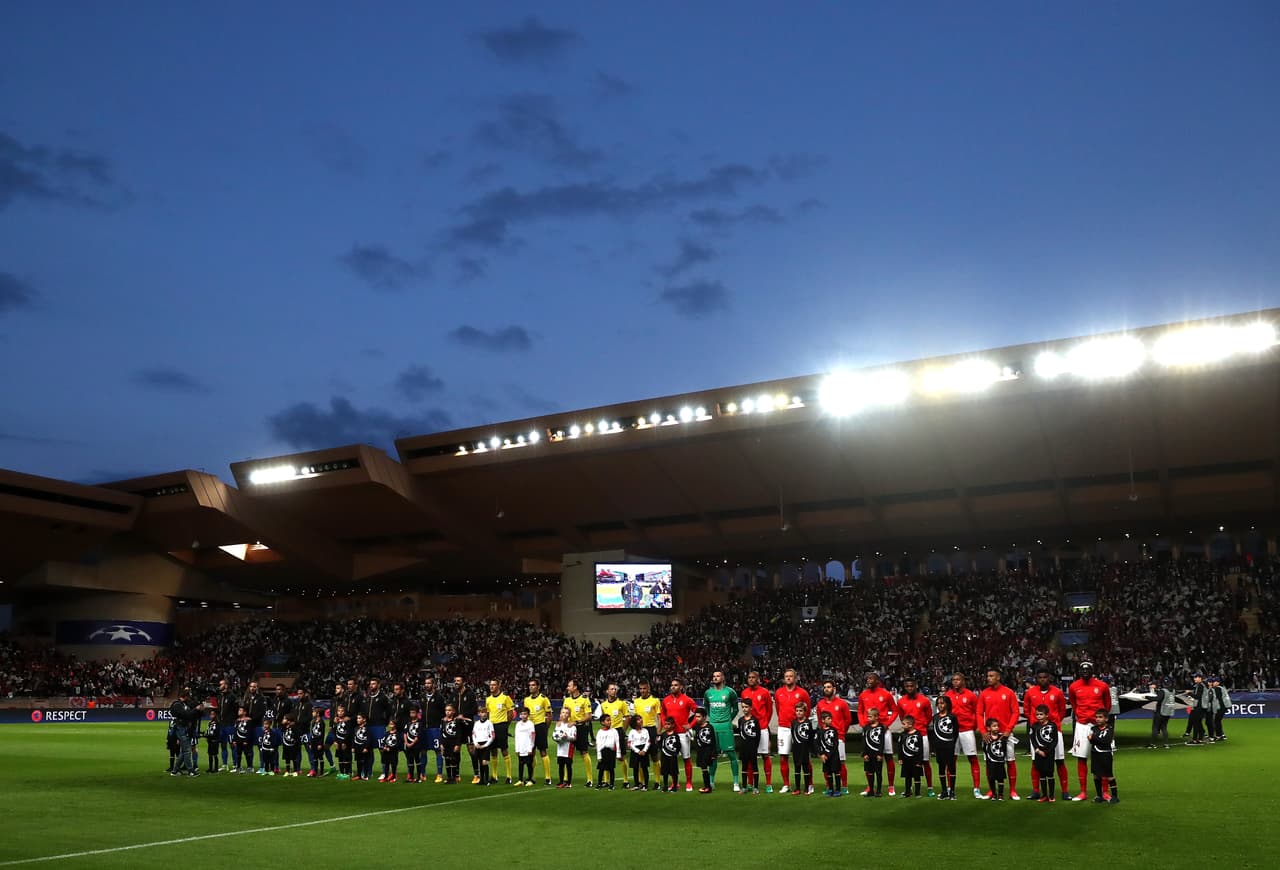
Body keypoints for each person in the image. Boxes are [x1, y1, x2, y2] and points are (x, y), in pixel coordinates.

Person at [1067, 661, 1111, 799]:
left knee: (1103, 759)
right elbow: (1074, 704)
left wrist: (1100, 720)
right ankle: (1083, 792)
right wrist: (1082, 715)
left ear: (1092, 670)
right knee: (1081, 758)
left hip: (1099, 726)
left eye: (1088, 669)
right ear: (1079, 672)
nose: (1085, 672)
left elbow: (1107, 705)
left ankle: (1105, 792)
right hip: (1082, 726)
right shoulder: (1074, 686)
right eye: (1082, 670)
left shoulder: (1102, 686)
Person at [1022, 667, 1069, 797]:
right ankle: (1036, 791)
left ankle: (1065, 791)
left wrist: (1054, 722)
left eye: (1045, 677)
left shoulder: (1057, 692)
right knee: (1035, 762)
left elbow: (1062, 710)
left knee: (1059, 761)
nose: (1043, 679)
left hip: (1054, 731)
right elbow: (1026, 710)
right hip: (1036, 731)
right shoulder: (1030, 692)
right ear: (1036, 679)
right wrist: (1034, 721)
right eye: (1040, 677)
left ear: (1049, 678)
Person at [976, 668, 1021, 800]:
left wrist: (1008, 729)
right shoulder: (984, 694)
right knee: (989, 762)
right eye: (987, 676)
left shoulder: (1008, 692)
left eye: (991, 676)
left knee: (1010, 761)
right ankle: (992, 791)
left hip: (1005, 734)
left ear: (998, 677)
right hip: (990, 735)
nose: (988, 678)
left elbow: (1015, 712)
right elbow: (978, 713)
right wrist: (983, 731)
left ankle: (1012, 791)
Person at [943, 671, 983, 797]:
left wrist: (973, 726)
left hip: (966, 730)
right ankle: (950, 788)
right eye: (953, 679)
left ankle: (976, 789)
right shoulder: (947, 695)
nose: (955, 682)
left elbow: (977, 712)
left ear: (963, 681)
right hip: (952, 732)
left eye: (958, 679)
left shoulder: (971, 695)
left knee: (972, 758)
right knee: (951, 760)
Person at [858, 672, 898, 795]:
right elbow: (860, 711)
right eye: (867, 678)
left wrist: (887, 724)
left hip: (883, 730)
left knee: (888, 757)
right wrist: (863, 724)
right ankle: (870, 786)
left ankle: (891, 786)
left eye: (871, 678)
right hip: (869, 730)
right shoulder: (863, 694)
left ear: (877, 680)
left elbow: (895, 710)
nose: (869, 681)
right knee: (868, 757)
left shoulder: (885, 694)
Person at [895, 678, 934, 796]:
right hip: (907, 737)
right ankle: (909, 788)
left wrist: (920, 727)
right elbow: (903, 717)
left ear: (916, 686)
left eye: (911, 686)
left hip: (922, 735)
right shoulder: (901, 701)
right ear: (904, 687)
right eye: (907, 686)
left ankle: (930, 788)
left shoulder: (924, 700)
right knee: (908, 763)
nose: (909, 688)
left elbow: (928, 717)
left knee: (925, 762)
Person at [774, 668, 810, 793]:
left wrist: (800, 724)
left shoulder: (803, 693)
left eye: (791, 676)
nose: (788, 678)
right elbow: (778, 709)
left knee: (804, 756)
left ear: (795, 678)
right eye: (786, 676)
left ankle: (808, 784)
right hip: (783, 727)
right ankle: (786, 784)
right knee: (783, 756)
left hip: (799, 728)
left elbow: (807, 710)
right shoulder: (778, 692)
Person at [816, 679, 853, 795]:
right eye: (825, 687)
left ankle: (844, 786)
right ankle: (829, 787)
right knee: (826, 763)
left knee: (840, 763)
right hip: (825, 739)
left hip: (838, 738)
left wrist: (841, 732)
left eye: (829, 687)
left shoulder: (842, 703)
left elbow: (848, 720)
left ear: (834, 689)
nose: (826, 689)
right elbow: (819, 720)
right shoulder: (820, 704)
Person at [662, 677, 699, 791]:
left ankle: (689, 783)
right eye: (672, 685)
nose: (673, 687)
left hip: (682, 733)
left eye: (676, 685)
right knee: (671, 759)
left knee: (686, 758)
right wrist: (664, 724)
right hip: (670, 734)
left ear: (681, 687)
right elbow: (662, 713)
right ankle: (675, 783)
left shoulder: (687, 700)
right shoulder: (666, 700)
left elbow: (698, 713)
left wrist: (690, 725)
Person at [705, 671, 740, 791]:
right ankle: (711, 782)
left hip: (726, 727)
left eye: (718, 676)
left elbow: (735, 708)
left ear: (723, 678)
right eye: (714, 676)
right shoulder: (708, 693)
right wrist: (713, 719)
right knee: (713, 756)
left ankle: (735, 783)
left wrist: (728, 719)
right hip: (713, 727)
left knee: (731, 754)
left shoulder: (730, 692)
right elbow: (707, 708)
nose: (715, 678)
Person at [740, 671, 774, 792]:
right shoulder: (744, 692)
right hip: (749, 729)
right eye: (749, 677)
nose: (751, 679)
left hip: (762, 727)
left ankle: (768, 784)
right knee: (749, 756)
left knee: (765, 755)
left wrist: (764, 723)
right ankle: (749, 783)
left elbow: (769, 710)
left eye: (753, 677)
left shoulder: (764, 692)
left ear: (758, 679)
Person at [596, 683, 632, 787]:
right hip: (607, 732)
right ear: (607, 691)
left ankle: (625, 780)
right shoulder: (603, 705)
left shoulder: (622, 703)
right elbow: (603, 718)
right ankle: (606, 781)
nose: (614, 691)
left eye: (615, 689)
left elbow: (627, 717)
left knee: (621, 756)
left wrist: (623, 731)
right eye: (611, 689)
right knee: (606, 756)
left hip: (618, 731)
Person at [632, 680, 664, 788]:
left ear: (648, 688)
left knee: (654, 756)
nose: (642, 691)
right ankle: (641, 782)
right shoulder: (636, 702)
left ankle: (657, 781)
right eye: (640, 689)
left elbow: (660, 718)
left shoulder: (655, 701)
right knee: (640, 757)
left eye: (644, 688)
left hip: (651, 730)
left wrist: (658, 732)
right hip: (639, 730)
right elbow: (635, 718)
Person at [483, 679, 515, 784]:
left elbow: (511, 712)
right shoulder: (488, 699)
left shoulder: (505, 698)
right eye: (490, 685)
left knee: (504, 750)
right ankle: (494, 776)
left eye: (493, 685)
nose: (491, 687)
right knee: (493, 751)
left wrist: (506, 725)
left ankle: (509, 776)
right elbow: (488, 713)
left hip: (501, 726)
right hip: (491, 726)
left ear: (498, 686)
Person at [523, 678, 554, 785]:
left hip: (540, 727)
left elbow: (549, 715)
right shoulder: (526, 700)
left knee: (543, 752)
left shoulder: (543, 699)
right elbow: (525, 714)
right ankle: (531, 777)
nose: (531, 687)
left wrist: (546, 728)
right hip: (529, 728)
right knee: (530, 753)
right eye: (529, 685)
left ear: (538, 687)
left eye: (533, 685)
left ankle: (548, 778)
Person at [167, 687, 204, 777]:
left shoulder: (183, 704)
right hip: (181, 729)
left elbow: (192, 713)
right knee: (187, 750)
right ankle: (191, 771)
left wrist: (199, 708)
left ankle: (175, 771)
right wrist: (195, 709)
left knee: (184, 751)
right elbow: (186, 715)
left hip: (184, 729)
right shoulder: (177, 705)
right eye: (188, 696)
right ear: (185, 696)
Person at [929, 695, 959, 800]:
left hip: (949, 746)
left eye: (942, 703)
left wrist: (951, 742)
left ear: (947, 704)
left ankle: (952, 791)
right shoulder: (935, 717)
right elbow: (934, 733)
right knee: (941, 768)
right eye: (939, 703)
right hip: (939, 747)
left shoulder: (952, 717)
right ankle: (944, 791)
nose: (940, 705)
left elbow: (955, 732)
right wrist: (934, 748)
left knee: (951, 768)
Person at [1029, 705, 1059, 803]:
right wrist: (1037, 750)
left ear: (1047, 715)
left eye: (1041, 714)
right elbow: (1032, 739)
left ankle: (1051, 795)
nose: (1039, 716)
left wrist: (1046, 751)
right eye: (1037, 714)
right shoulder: (1034, 726)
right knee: (1041, 774)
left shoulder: (1052, 725)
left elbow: (1055, 741)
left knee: (1050, 773)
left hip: (1049, 753)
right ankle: (1044, 795)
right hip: (1039, 753)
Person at [1088, 709, 1118, 804]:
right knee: (1096, 776)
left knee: (1109, 776)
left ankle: (1115, 796)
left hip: (1105, 755)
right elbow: (1091, 740)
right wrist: (1094, 739)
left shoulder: (1109, 729)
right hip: (1095, 754)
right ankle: (1099, 796)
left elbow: (1106, 741)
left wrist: (1094, 738)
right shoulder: (1094, 728)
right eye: (1096, 717)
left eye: (1100, 717)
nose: (1098, 719)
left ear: (1106, 718)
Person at [860, 706, 891, 797]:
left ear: (876, 717)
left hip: (877, 754)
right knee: (870, 772)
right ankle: (871, 790)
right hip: (868, 754)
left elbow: (881, 742)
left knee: (878, 772)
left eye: (870, 716)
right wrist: (864, 753)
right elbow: (864, 741)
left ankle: (878, 790)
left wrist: (880, 754)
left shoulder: (881, 727)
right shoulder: (866, 727)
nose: (868, 718)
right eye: (868, 716)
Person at [421, 675, 447, 781]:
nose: (427, 685)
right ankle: (422, 774)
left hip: (435, 728)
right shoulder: (422, 696)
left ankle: (439, 774)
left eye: (429, 683)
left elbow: (443, 712)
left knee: (438, 751)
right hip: (424, 728)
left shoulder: (439, 697)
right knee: (423, 751)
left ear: (433, 685)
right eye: (426, 683)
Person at [735, 698, 761, 794]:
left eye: (746, 707)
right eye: (743, 707)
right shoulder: (740, 720)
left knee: (754, 766)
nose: (744, 709)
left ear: (751, 708)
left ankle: (756, 787)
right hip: (743, 747)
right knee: (744, 767)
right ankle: (744, 787)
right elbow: (740, 732)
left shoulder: (755, 720)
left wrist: (755, 746)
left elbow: (758, 735)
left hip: (752, 747)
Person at [790, 700, 815, 795]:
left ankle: (806, 788)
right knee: (797, 768)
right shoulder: (793, 722)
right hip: (796, 748)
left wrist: (810, 749)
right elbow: (793, 735)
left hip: (805, 749)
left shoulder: (808, 723)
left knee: (805, 768)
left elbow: (810, 737)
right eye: (797, 711)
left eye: (800, 711)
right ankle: (797, 788)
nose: (798, 713)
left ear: (804, 711)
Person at [240, 681, 265, 771]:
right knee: (248, 747)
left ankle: (262, 766)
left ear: (257, 688)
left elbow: (262, 712)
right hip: (248, 726)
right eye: (251, 686)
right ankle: (250, 766)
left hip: (257, 726)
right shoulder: (247, 698)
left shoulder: (261, 699)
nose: (252, 688)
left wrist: (251, 719)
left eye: (254, 687)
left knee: (261, 747)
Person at [692, 708, 718, 793]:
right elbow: (689, 721)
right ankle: (707, 786)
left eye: (699, 716)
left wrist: (714, 753)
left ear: (704, 717)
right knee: (703, 768)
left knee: (704, 768)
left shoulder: (710, 727)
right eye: (696, 716)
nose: (697, 718)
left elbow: (713, 741)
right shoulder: (696, 726)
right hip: (700, 751)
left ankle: (708, 787)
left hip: (708, 750)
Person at [1144, 679, 1175, 749]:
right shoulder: (1173, 691)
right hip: (1168, 712)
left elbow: (1158, 698)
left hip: (1160, 711)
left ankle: (1152, 743)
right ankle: (1166, 743)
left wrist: (1147, 697)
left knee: (1155, 727)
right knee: (1164, 727)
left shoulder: (1163, 691)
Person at [215, 678, 238, 771]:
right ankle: (224, 764)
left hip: (230, 725)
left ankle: (235, 765)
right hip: (221, 725)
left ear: (226, 685)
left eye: (221, 684)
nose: (219, 686)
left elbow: (236, 710)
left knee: (232, 744)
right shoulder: (219, 697)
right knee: (223, 745)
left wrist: (234, 720)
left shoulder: (232, 697)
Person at [981, 718, 1007, 800]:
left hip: (1000, 762)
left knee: (1000, 778)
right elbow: (984, 749)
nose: (996, 727)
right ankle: (994, 794)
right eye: (994, 726)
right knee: (991, 778)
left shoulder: (1002, 737)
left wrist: (1002, 758)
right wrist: (989, 759)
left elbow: (1004, 749)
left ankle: (1000, 794)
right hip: (991, 762)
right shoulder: (986, 738)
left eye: (997, 726)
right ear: (988, 728)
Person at [818, 710, 842, 797]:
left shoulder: (834, 730)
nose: (830, 720)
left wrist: (828, 754)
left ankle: (838, 789)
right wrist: (821, 754)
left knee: (836, 772)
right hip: (825, 756)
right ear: (823, 720)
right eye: (828, 718)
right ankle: (831, 789)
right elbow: (818, 744)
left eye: (831, 718)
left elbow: (835, 744)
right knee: (828, 773)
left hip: (834, 755)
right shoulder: (820, 732)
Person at [626, 714, 651, 791]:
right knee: (635, 768)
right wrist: (637, 751)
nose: (641, 720)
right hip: (635, 751)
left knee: (644, 768)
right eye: (638, 719)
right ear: (634, 722)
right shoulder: (632, 732)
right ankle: (636, 784)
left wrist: (644, 750)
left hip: (643, 749)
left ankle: (645, 785)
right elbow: (630, 744)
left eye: (641, 719)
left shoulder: (645, 731)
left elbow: (648, 741)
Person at [362, 679, 390, 745]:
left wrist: (385, 722)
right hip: (367, 725)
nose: (371, 685)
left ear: (378, 685)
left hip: (379, 726)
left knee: (381, 747)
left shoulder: (383, 697)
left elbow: (389, 711)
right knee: (368, 747)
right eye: (370, 684)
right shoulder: (367, 697)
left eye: (373, 684)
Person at [596, 713, 620, 789]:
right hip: (603, 752)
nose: (609, 722)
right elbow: (598, 744)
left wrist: (618, 754)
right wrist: (599, 755)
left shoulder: (614, 731)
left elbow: (617, 742)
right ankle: (599, 783)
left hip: (611, 752)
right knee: (601, 769)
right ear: (602, 722)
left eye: (610, 720)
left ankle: (612, 784)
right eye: (607, 720)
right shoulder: (600, 732)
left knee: (611, 769)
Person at [441, 704, 464, 784]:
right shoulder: (443, 721)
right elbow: (441, 733)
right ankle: (449, 777)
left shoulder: (456, 721)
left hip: (453, 743)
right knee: (447, 760)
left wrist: (457, 744)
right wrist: (441, 744)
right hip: (446, 743)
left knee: (454, 760)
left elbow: (459, 734)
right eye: (446, 710)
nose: (447, 712)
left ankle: (454, 777)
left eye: (449, 710)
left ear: (453, 711)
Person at [472, 705, 495, 786]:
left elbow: (492, 736)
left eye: (485, 712)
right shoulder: (476, 723)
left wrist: (486, 745)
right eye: (482, 712)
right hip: (478, 744)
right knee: (480, 762)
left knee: (485, 762)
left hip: (486, 744)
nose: (484, 714)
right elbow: (473, 734)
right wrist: (475, 743)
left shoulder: (489, 723)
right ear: (479, 714)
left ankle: (487, 779)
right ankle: (481, 780)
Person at [552, 708, 576, 788]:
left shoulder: (572, 726)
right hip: (560, 748)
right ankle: (561, 781)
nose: (564, 714)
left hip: (568, 748)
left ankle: (569, 782)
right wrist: (557, 739)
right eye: (562, 712)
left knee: (568, 765)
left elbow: (574, 738)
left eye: (566, 713)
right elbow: (554, 735)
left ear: (569, 715)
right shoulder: (558, 725)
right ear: (560, 714)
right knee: (560, 765)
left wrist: (567, 737)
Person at [514, 706, 536, 786]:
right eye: (522, 714)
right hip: (521, 747)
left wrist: (531, 748)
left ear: (528, 715)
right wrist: (517, 748)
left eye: (525, 714)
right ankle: (520, 780)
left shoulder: (530, 724)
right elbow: (516, 737)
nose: (523, 716)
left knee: (529, 764)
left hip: (528, 747)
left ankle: (530, 779)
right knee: (520, 764)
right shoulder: (518, 724)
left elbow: (532, 737)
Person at [658, 717, 682, 792]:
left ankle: (674, 786)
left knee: (674, 771)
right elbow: (659, 744)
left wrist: (675, 753)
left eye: (668, 724)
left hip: (672, 756)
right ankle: (665, 785)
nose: (666, 726)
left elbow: (678, 745)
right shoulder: (663, 735)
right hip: (664, 756)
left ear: (673, 725)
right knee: (665, 771)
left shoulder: (675, 735)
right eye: (665, 724)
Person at [403, 707, 423, 782]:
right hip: (408, 744)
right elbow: (405, 733)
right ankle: (411, 777)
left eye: (413, 712)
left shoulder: (420, 723)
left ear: (417, 713)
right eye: (411, 712)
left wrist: (412, 743)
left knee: (417, 760)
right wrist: (406, 742)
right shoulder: (408, 723)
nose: (412, 714)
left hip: (416, 745)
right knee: (410, 761)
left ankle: (418, 777)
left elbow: (419, 735)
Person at [306, 705, 328, 777]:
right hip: (313, 742)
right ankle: (314, 771)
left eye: (314, 712)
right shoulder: (313, 721)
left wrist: (320, 744)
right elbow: (311, 733)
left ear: (318, 713)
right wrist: (310, 742)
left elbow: (322, 734)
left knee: (320, 757)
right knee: (314, 757)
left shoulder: (322, 722)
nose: (312, 713)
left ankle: (321, 772)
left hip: (319, 742)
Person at [332, 706, 353, 780]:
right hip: (338, 742)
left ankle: (347, 773)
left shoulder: (347, 721)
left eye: (342, 711)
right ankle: (341, 772)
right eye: (339, 711)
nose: (340, 712)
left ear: (345, 712)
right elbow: (334, 732)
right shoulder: (336, 721)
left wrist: (344, 742)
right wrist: (335, 741)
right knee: (340, 758)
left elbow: (349, 732)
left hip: (345, 742)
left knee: (346, 757)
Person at [353, 712, 373, 781]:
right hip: (357, 747)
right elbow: (354, 738)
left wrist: (366, 747)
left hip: (364, 748)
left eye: (359, 718)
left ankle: (366, 775)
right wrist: (353, 747)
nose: (357, 720)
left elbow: (369, 739)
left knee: (365, 761)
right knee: (358, 761)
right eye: (357, 718)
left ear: (364, 719)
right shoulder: (356, 728)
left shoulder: (367, 728)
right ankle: (359, 775)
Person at [232, 706, 252, 773]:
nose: (239, 711)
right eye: (239, 710)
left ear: (244, 712)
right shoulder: (237, 720)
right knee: (238, 754)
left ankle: (249, 767)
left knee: (247, 754)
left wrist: (246, 740)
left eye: (240, 710)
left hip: (245, 740)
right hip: (238, 740)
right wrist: (234, 740)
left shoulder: (248, 720)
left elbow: (249, 731)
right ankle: (238, 767)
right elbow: (235, 730)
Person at [1210, 676, 1231, 742]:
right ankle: (1221, 734)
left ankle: (1219, 736)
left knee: (1216, 721)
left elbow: (1218, 699)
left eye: (1214, 681)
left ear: (1218, 682)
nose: (1213, 683)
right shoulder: (1221, 688)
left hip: (1221, 707)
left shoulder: (1217, 689)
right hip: (1224, 707)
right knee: (1217, 721)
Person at [203, 708, 221, 773]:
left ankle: (216, 769)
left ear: (215, 715)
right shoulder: (210, 722)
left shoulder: (217, 723)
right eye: (210, 714)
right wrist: (206, 735)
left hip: (215, 741)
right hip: (210, 741)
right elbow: (209, 731)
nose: (211, 716)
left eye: (213, 714)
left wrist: (209, 736)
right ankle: (210, 768)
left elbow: (216, 732)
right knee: (210, 754)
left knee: (215, 755)